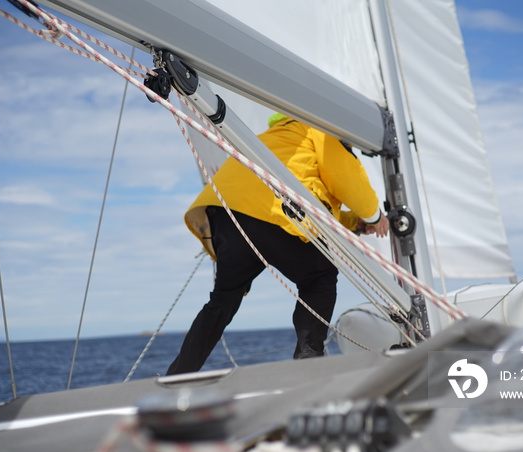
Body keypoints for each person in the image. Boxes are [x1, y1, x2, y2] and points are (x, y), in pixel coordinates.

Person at [165, 113, 389, 375]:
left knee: (223, 301)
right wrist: (374, 217)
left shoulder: (270, 138)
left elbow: (314, 196)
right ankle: (309, 359)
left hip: (226, 214)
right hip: (273, 212)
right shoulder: (318, 129)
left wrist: (355, 223)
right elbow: (347, 180)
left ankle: (179, 373)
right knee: (319, 277)